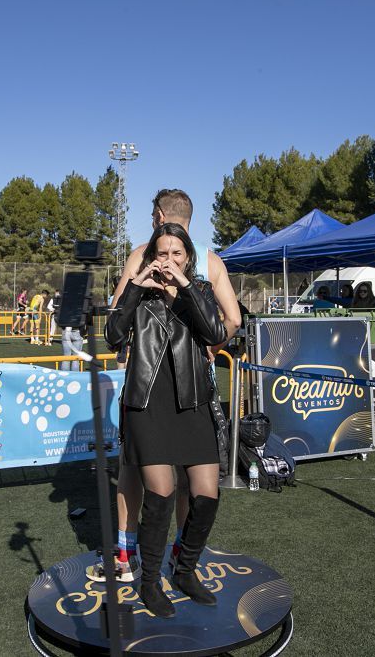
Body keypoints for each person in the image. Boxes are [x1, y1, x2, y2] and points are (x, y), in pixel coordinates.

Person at [96, 188, 241, 587]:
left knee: (135, 467)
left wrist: (203, 340)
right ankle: (175, 550)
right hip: (177, 380)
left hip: (170, 378)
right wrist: (211, 347)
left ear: (158, 214)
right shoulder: (211, 260)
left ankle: (127, 553)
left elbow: (115, 316)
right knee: (173, 475)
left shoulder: (144, 251)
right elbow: (234, 320)